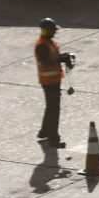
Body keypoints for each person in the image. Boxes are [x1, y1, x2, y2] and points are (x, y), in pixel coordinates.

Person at [35, 18, 73, 149]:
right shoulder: (42, 46)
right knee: (54, 110)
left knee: (50, 108)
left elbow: (53, 58)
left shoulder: (48, 42)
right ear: (46, 31)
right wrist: (60, 59)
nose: (55, 32)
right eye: (52, 30)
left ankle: (44, 132)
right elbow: (46, 62)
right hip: (49, 82)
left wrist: (64, 57)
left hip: (53, 81)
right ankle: (54, 139)